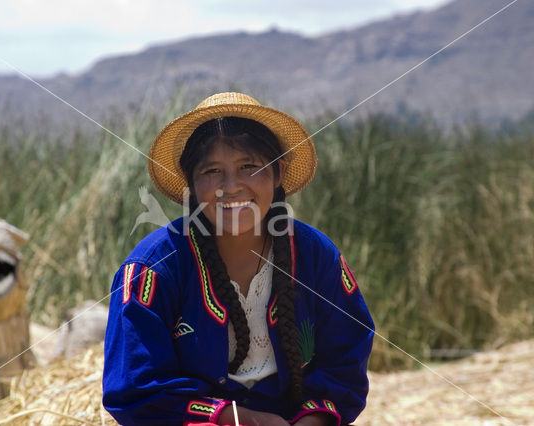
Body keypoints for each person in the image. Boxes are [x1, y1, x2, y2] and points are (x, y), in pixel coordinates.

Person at [102, 92, 375, 426]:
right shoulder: (153, 268)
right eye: (212, 171)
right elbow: (134, 388)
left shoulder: (315, 255)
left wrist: (313, 420)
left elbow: (346, 357)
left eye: (249, 167)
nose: (230, 187)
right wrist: (240, 419)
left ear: (278, 173)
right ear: (191, 184)